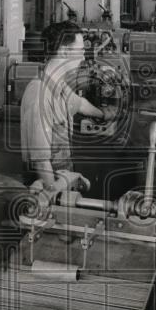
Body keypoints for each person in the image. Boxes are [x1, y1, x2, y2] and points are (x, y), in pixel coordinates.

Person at [20, 21, 105, 187]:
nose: (82, 57)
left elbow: (79, 104)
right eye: (80, 51)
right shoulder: (39, 95)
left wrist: (105, 114)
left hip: (63, 180)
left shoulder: (58, 84)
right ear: (65, 51)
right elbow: (41, 163)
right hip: (45, 187)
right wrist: (54, 202)